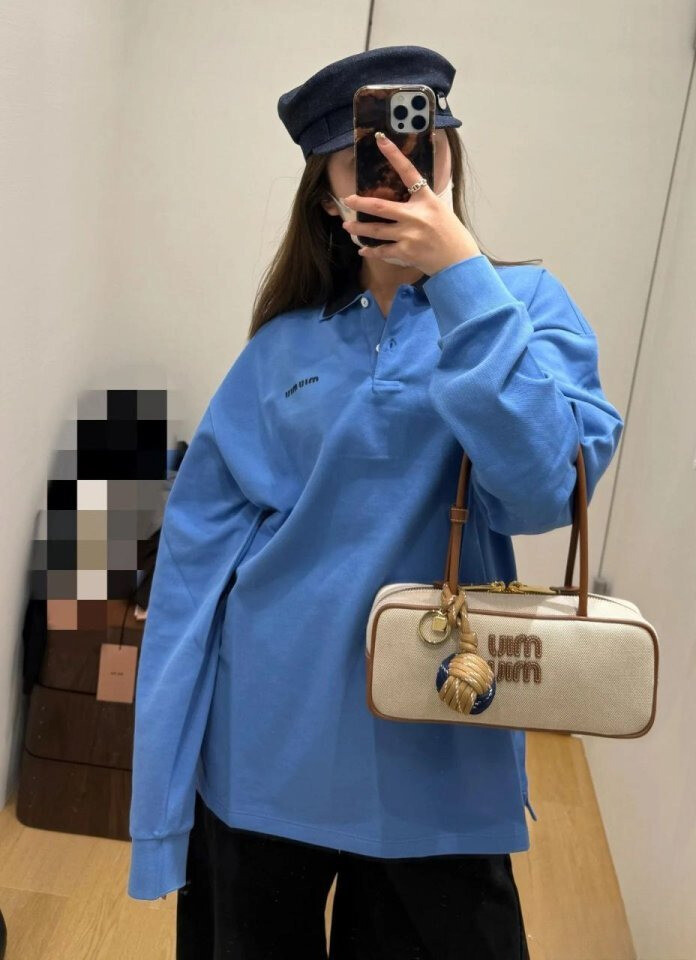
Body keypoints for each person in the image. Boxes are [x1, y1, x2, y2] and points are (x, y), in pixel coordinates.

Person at [127, 44, 624, 960]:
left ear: (450, 154)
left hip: (440, 749)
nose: (400, 168)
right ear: (327, 195)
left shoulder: (521, 306)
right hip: (265, 748)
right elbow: (194, 570)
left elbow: (543, 489)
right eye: (369, 156)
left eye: (421, 143)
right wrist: (158, 806)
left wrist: (462, 278)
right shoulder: (282, 344)